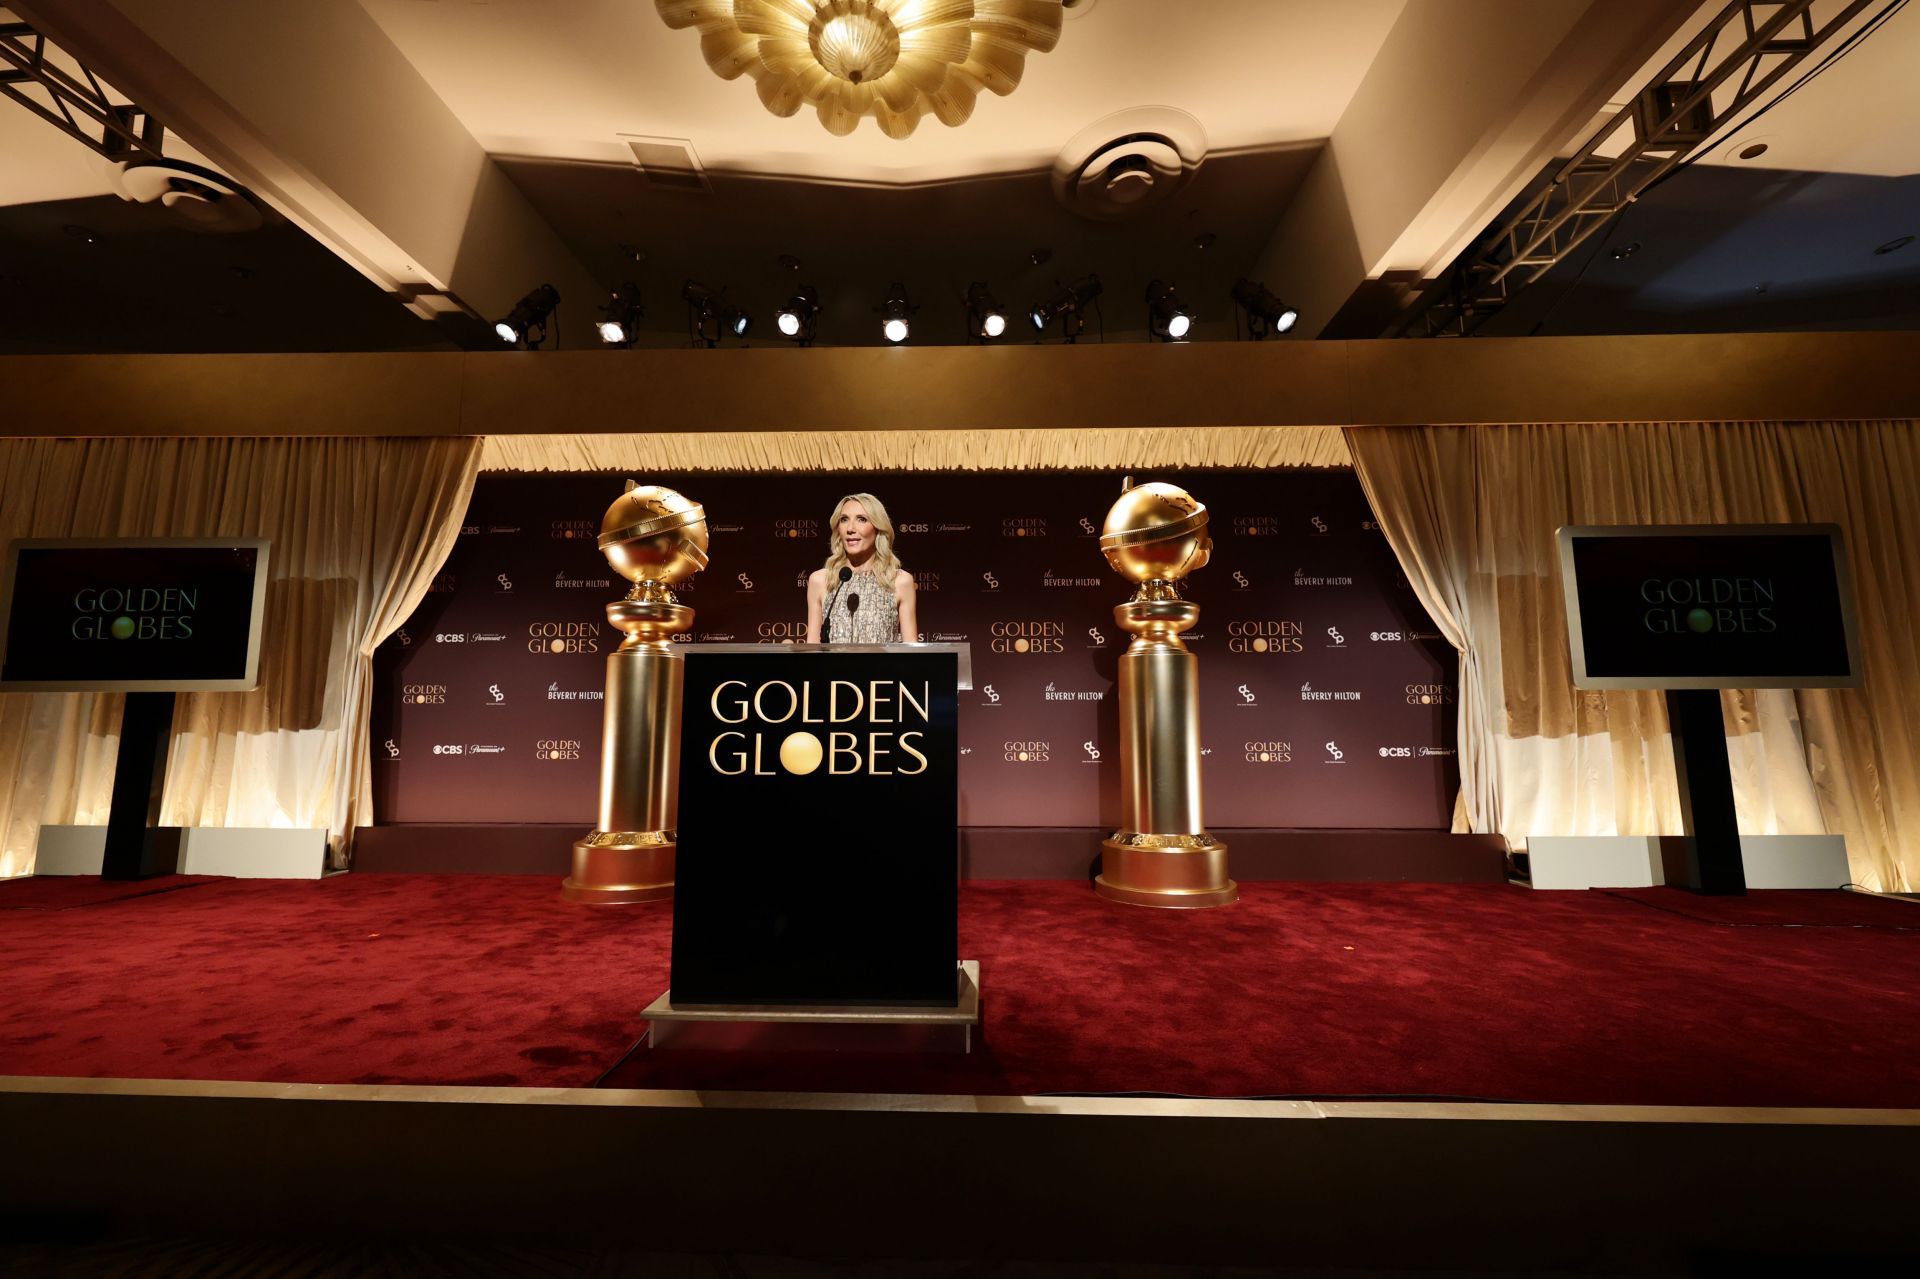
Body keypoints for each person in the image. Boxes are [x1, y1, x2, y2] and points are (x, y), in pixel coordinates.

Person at [805, 492, 919, 644]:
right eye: (844, 520)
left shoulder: (899, 581)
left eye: (862, 519)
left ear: (878, 528)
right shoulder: (820, 580)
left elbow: (912, 653)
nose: (850, 528)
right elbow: (812, 649)